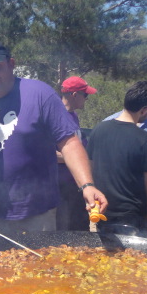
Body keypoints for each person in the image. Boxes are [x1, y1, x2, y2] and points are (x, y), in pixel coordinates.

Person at [0, 41, 107, 234]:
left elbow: (69, 142)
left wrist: (87, 185)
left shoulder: (39, 93)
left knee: (38, 264)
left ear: (11, 64)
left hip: (37, 213)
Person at [87, 81, 147, 237]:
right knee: (133, 259)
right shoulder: (146, 139)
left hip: (103, 210)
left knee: (106, 256)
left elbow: (90, 167)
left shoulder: (98, 130)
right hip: (134, 215)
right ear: (144, 109)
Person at [56, 76, 97, 231]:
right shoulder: (55, 116)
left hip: (76, 186)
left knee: (81, 228)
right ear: (74, 95)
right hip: (61, 189)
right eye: (85, 95)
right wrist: (77, 160)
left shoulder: (73, 115)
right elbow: (47, 154)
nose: (86, 99)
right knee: (66, 231)